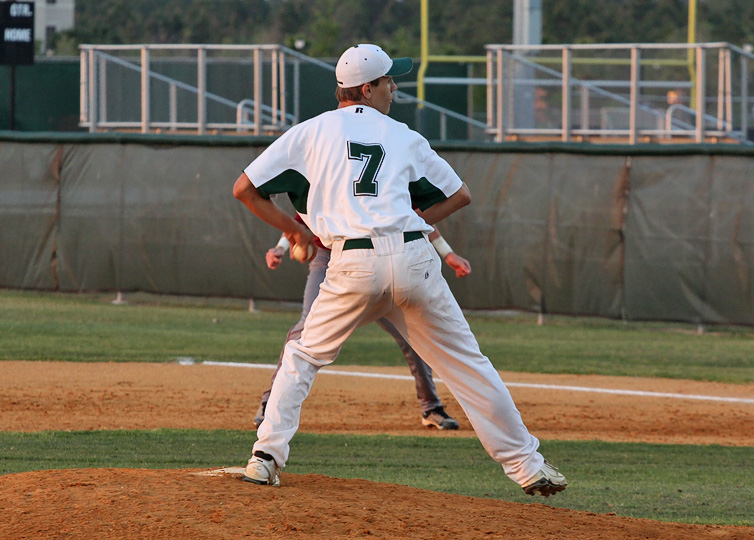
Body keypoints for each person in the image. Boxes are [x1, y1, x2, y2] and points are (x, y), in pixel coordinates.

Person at [232, 43, 567, 497]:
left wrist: (298, 235)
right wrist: (414, 222)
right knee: (469, 365)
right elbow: (462, 194)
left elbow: (245, 189)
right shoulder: (404, 135)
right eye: (389, 80)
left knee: (302, 356)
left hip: (351, 264)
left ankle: (266, 456)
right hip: (414, 261)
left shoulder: (308, 133)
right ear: (366, 88)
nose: (394, 87)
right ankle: (529, 466)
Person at [253, 217, 471, 431]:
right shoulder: (326, 180)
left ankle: (431, 406)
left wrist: (447, 252)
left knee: (411, 332)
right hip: (329, 256)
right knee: (306, 326)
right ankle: (271, 402)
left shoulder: (386, 182)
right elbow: (302, 212)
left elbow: (416, 214)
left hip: (379, 258)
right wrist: (280, 246)